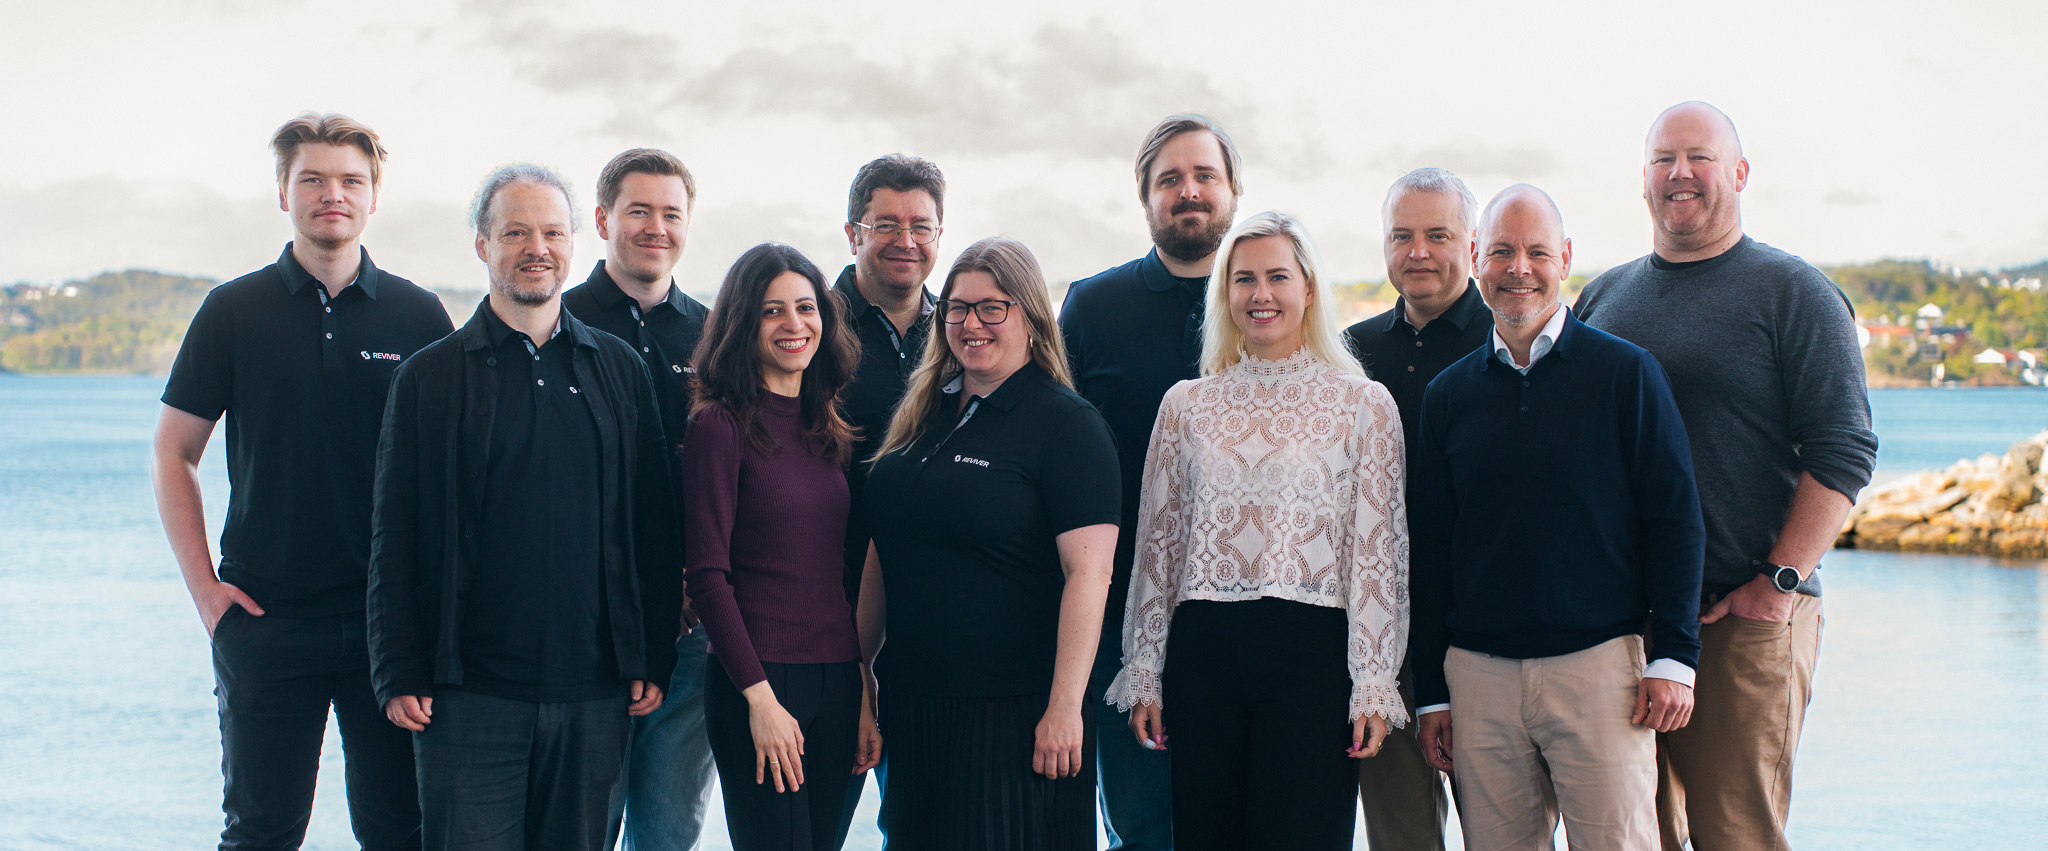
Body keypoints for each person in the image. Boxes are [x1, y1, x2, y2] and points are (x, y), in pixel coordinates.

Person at [1575, 102, 1879, 851]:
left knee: (1736, 835)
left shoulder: (1795, 294)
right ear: (1643, 180)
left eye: (1699, 157)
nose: (1680, 173)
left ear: (1739, 173)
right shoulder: (1603, 297)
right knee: (1634, 835)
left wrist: (1777, 584)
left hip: (1739, 621)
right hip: (1622, 626)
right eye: (1663, 159)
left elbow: (1844, 449)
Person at [153, 112, 451, 851]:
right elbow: (173, 453)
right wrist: (207, 593)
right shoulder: (233, 310)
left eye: (350, 180)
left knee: (401, 832)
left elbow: (453, 468)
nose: (332, 194)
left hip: (388, 623)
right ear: (283, 192)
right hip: (266, 618)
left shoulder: (418, 315)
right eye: (312, 179)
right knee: (261, 832)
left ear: (373, 196)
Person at [367, 164, 683, 851]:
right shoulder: (428, 377)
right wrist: (397, 667)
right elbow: (394, 533)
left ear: (573, 242)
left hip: (596, 692)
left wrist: (653, 654)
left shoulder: (620, 369)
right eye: (515, 233)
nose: (537, 248)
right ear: (483, 245)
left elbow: (654, 526)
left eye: (552, 232)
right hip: (466, 697)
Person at [1410, 185, 1704, 851]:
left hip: (1600, 672)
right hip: (1479, 679)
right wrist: (1433, 692)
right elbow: (1429, 549)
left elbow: (1675, 521)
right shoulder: (1447, 396)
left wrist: (1675, 656)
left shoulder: (1626, 374)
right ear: (1477, 258)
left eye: (1538, 252)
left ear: (1565, 258)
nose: (1520, 268)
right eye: (1502, 252)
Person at [1106, 211, 1408, 851]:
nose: (1260, 294)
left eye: (1278, 277)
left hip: (1313, 659)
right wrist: (1145, 669)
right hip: (1203, 656)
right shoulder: (1185, 405)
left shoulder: (1363, 404)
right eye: (1244, 279)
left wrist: (1373, 681)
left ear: (1309, 287)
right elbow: (1159, 549)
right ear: (1225, 292)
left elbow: (1376, 553)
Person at [858, 237, 1119, 850]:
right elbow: (883, 546)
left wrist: (1065, 708)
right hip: (914, 704)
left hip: (1015, 711)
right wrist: (859, 674)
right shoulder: (924, 416)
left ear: (1030, 317)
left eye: (992, 308)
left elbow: (1090, 575)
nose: (971, 323)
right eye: (957, 307)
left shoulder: (1067, 425)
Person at [1058, 114, 1244, 850]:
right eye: (1170, 179)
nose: (1188, 191)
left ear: (1233, 191)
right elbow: (1053, 452)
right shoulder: (1092, 307)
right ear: (1145, 199)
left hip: (1244, 613)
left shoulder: (1271, 304)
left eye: (1205, 176)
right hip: (1120, 612)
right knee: (1141, 826)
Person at [682, 242, 874, 851]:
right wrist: (759, 700)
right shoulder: (719, 426)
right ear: (744, 323)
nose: (794, 324)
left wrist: (863, 691)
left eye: (806, 307)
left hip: (838, 682)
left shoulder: (827, 425)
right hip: (758, 682)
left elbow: (838, 572)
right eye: (772, 310)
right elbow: (707, 576)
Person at [558, 147, 715, 851]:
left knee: (670, 831)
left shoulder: (715, 335)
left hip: (693, 626)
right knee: (580, 826)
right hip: (587, 628)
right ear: (602, 220)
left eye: (671, 214)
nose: (657, 227)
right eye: (639, 211)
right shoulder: (557, 322)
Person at [1341, 167, 1488, 851]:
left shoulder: (1507, 340)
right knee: (1399, 834)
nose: (1418, 251)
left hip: (1484, 631)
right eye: (1402, 236)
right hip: (1381, 635)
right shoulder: (1350, 353)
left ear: (1472, 243)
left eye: (1438, 235)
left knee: (1503, 830)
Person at [834, 154, 944, 598]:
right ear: (853, 236)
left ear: (939, 236)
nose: (906, 241)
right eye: (886, 226)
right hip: (828, 579)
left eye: (921, 227)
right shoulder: (811, 327)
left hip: (934, 580)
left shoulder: (961, 333)